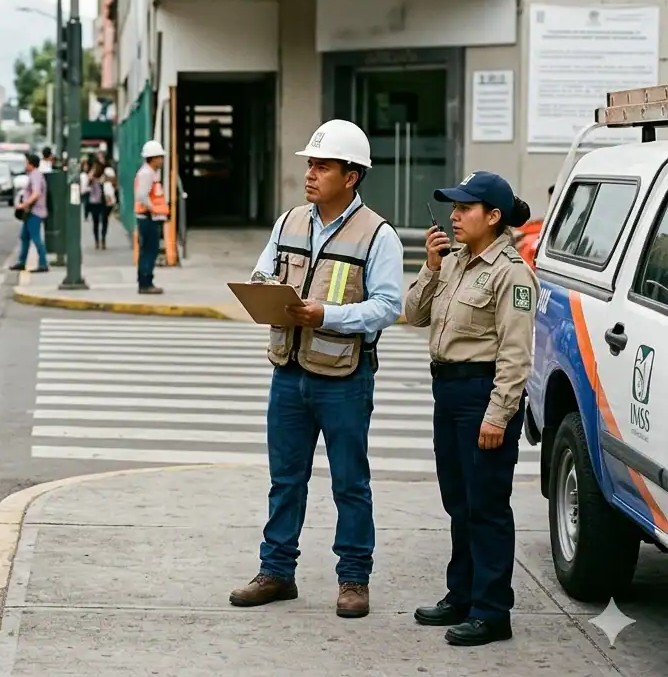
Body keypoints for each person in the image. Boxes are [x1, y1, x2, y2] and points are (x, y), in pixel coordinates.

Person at [229, 119, 403, 619]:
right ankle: (276, 572)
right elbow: (265, 271)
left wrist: (328, 315)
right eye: (310, 164)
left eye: (322, 166)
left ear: (351, 176)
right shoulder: (287, 223)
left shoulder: (378, 235)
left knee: (350, 482)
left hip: (345, 378)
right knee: (285, 479)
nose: (311, 173)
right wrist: (262, 289)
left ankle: (354, 579)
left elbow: (389, 307)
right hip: (289, 372)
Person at [403, 171, 536, 647]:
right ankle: (462, 594)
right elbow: (414, 315)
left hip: (483, 394)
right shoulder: (455, 262)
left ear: (493, 216)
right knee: (459, 502)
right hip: (449, 392)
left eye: (465, 208)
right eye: (453, 208)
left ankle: (492, 611)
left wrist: (499, 415)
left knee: (488, 506)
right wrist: (431, 265)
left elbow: (517, 354)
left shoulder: (512, 273)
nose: (454, 216)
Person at [134, 140, 168, 294]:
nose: (162, 160)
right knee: (149, 250)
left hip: (150, 216)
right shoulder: (147, 173)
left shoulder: (150, 172)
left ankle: (146, 280)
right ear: (152, 157)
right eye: (160, 157)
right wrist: (153, 209)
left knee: (150, 249)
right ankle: (145, 282)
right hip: (147, 217)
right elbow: (142, 195)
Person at [9, 153, 49, 272]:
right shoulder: (34, 175)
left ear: (31, 164)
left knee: (36, 238)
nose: (25, 165)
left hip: (35, 212)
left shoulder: (35, 175)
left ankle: (43, 263)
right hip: (31, 211)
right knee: (24, 236)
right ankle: (22, 261)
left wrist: (24, 205)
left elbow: (36, 193)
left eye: (26, 162)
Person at [81, 159, 115, 249]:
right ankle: (97, 240)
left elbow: (112, 182)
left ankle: (103, 239)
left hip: (102, 202)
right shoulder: (91, 177)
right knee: (95, 222)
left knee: (104, 221)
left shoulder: (104, 176)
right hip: (93, 202)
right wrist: (91, 176)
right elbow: (87, 184)